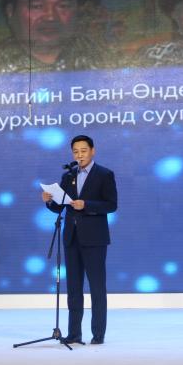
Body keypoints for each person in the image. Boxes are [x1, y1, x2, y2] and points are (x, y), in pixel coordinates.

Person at [42, 135, 118, 345]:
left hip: (94, 239)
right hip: (71, 237)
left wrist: (87, 205)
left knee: (97, 287)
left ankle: (98, 334)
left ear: (93, 151)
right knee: (74, 289)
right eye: (76, 151)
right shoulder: (68, 176)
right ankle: (74, 333)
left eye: (83, 151)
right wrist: (49, 201)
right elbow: (60, 206)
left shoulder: (104, 174)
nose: (80, 155)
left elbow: (111, 205)